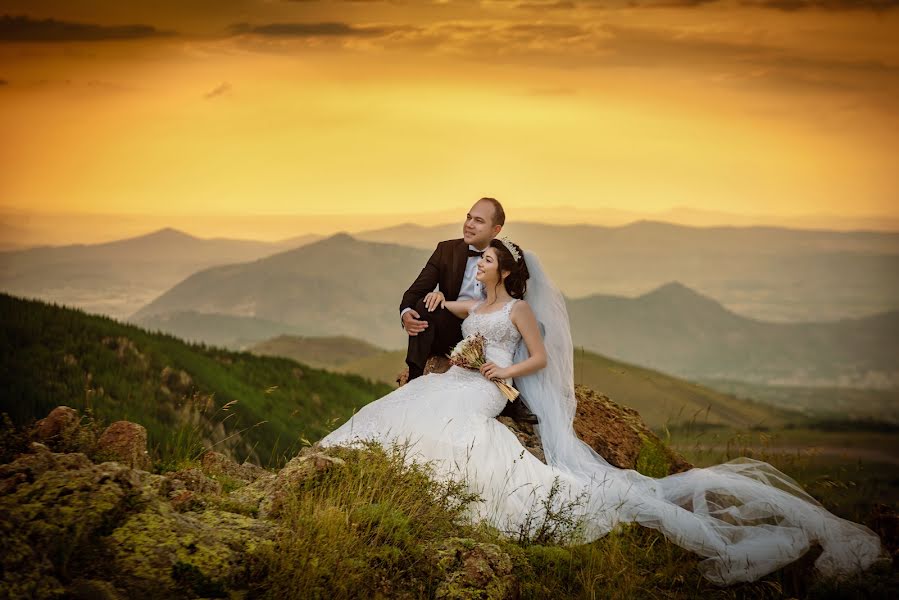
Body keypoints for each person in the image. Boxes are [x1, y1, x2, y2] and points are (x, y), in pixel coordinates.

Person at [319, 239, 885, 586]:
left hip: (489, 386)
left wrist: (502, 373)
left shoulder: (517, 310)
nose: (478, 264)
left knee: (449, 418)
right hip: (464, 374)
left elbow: (537, 357)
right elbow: (454, 307)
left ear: (504, 271)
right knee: (410, 399)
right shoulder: (478, 302)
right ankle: (355, 461)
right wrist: (436, 305)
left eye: (485, 260)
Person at [400, 197, 504, 381]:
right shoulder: (446, 250)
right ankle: (414, 380)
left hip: (491, 335)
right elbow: (415, 292)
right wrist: (406, 314)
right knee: (425, 305)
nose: (469, 225)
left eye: (478, 221)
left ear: (495, 230)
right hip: (453, 333)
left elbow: (516, 303)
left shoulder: (507, 257)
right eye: (468, 217)